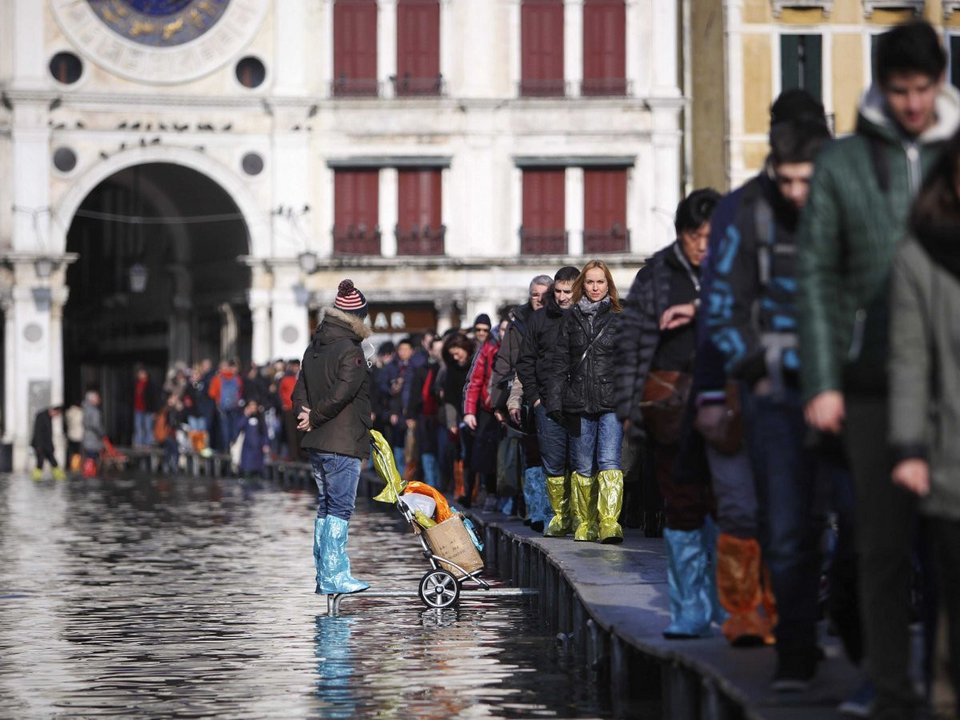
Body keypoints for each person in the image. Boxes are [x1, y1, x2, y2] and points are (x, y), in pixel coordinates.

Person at [797, 20, 960, 718]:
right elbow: (817, 276)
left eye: (923, 89)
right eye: (900, 91)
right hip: (867, 380)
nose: (914, 104)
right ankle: (889, 686)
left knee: (950, 545)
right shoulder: (842, 164)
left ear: (940, 83)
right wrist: (822, 379)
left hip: (952, 379)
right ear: (881, 87)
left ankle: (946, 687)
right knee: (878, 545)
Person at [706, 91, 836, 675]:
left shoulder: (850, 201)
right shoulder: (744, 211)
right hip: (772, 393)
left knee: (852, 525)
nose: (797, 192)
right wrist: (737, 377)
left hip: (849, 390)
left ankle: (839, 626)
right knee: (780, 524)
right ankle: (794, 651)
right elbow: (720, 306)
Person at [614, 188, 723, 636]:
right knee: (681, 504)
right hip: (669, 406)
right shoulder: (656, 275)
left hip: (729, 401)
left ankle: (731, 607)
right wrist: (629, 408)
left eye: (712, 236)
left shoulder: (738, 268)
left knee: (731, 505)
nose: (704, 246)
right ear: (681, 234)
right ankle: (689, 609)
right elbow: (630, 345)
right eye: (696, 237)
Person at [889, 127, 960, 720]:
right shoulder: (918, 257)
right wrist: (909, 445)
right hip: (946, 451)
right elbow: (909, 358)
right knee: (947, 582)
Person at [293, 279, 373, 596]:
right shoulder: (351, 351)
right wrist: (313, 416)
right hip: (342, 442)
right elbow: (343, 393)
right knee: (340, 508)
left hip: (317, 442)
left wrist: (306, 415)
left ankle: (323, 574)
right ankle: (335, 576)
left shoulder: (313, 347)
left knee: (326, 506)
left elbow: (299, 390)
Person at [544, 260, 624, 543]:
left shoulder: (619, 318)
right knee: (583, 464)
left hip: (612, 400)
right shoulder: (570, 319)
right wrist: (554, 402)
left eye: (600, 282)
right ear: (582, 285)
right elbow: (559, 363)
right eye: (590, 282)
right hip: (578, 401)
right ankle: (586, 523)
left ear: (608, 285)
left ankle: (609, 523)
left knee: (609, 460)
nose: (595, 287)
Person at [516, 266, 580, 535]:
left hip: (582, 401)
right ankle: (557, 517)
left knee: (582, 463)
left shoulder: (586, 316)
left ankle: (582, 520)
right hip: (546, 402)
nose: (563, 297)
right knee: (552, 462)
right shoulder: (539, 319)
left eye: (568, 292)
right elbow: (525, 360)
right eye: (559, 291)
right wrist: (534, 398)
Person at [462, 313, 502, 510]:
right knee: (482, 452)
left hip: (500, 405)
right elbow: (475, 381)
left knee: (498, 452)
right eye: (478, 329)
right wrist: (469, 410)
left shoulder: (496, 347)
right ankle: (483, 492)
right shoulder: (483, 349)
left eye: (485, 330)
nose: (481, 333)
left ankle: (495, 494)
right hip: (485, 408)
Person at [208, 359, 244, 452]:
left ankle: (226, 449)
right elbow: (240, 391)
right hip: (234, 406)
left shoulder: (217, 378)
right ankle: (233, 444)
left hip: (222, 407)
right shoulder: (236, 378)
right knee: (234, 427)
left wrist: (218, 398)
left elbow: (211, 394)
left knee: (224, 429)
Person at [233, 398, 270, 479]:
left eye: (254, 406)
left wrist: (265, 444)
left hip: (258, 449)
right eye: (251, 406)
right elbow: (238, 427)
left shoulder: (260, 419)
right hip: (247, 450)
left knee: (258, 472)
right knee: (247, 471)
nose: (252, 408)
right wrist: (245, 415)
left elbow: (264, 433)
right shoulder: (245, 418)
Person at [31, 406, 64, 481]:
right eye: (57, 414)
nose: (56, 416)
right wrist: (38, 446)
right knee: (40, 462)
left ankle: (59, 476)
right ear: (54, 411)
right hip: (40, 445)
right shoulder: (41, 416)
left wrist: (51, 446)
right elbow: (37, 432)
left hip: (47, 445)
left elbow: (48, 434)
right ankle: (36, 477)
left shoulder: (49, 417)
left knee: (53, 461)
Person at [132, 365, 160, 448]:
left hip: (148, 409)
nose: (140, 375)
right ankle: (139, 443)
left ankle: (148, 443)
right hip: (138, 408)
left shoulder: (150, 384)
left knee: (148, 427)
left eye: (142, 373)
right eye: (139, 373)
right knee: (138, 426)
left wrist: (155, 411)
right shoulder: (136, 383)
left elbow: (154, 398)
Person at [82, 389, 104, 478]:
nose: (99, 400)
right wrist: (102, 433)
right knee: (92, 457)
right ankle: (90, 474)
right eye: (97, 398)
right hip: (93, 439)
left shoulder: (85, 409)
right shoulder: (94, 411)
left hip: (87, 437)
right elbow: (96, 425)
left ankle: (88, 473)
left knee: (89, 456)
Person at [64, 402, 84, 471]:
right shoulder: (80, 412)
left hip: (70, 434)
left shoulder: (68, 412)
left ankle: (70, 465)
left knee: (71, 451)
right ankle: (76, 466)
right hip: (78, 435)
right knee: (77, 452)